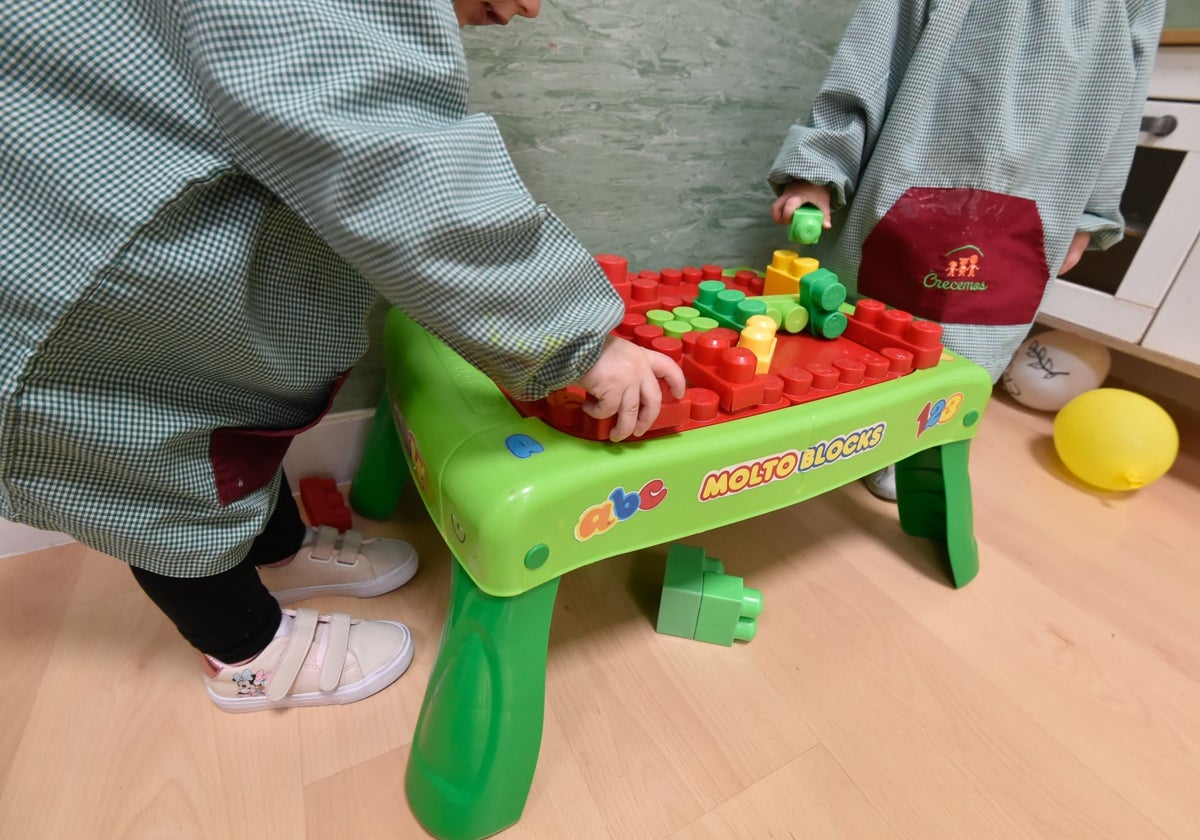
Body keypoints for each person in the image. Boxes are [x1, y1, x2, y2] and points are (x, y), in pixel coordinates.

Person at [0, 0, 685, 712]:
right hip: (87, 289)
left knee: (225, 432)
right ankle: (247, 653)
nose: (533, 8)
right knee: (157, 475)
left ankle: (277, 552)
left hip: (138, 263)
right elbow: (393, 161)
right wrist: (575, 336)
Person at [766, 0, 1165, 500]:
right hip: (923, 144)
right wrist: (819, 164)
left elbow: (1127, 94)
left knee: (976, 333)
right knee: (864, 311)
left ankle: (922, 440)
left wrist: (1092, 212)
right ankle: (830, 424)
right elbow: (872, 51)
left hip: (1047, 168)